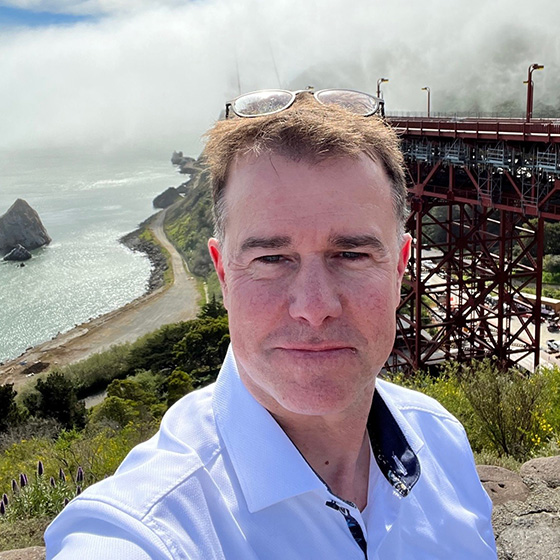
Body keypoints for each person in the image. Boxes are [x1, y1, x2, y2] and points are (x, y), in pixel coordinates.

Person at [45, 88, 497, 559]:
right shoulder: (151, 528)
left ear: (401, 266)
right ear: (222, 274)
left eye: (351, 254)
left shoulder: (443, 440)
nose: (314, 306)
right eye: (272, 258)